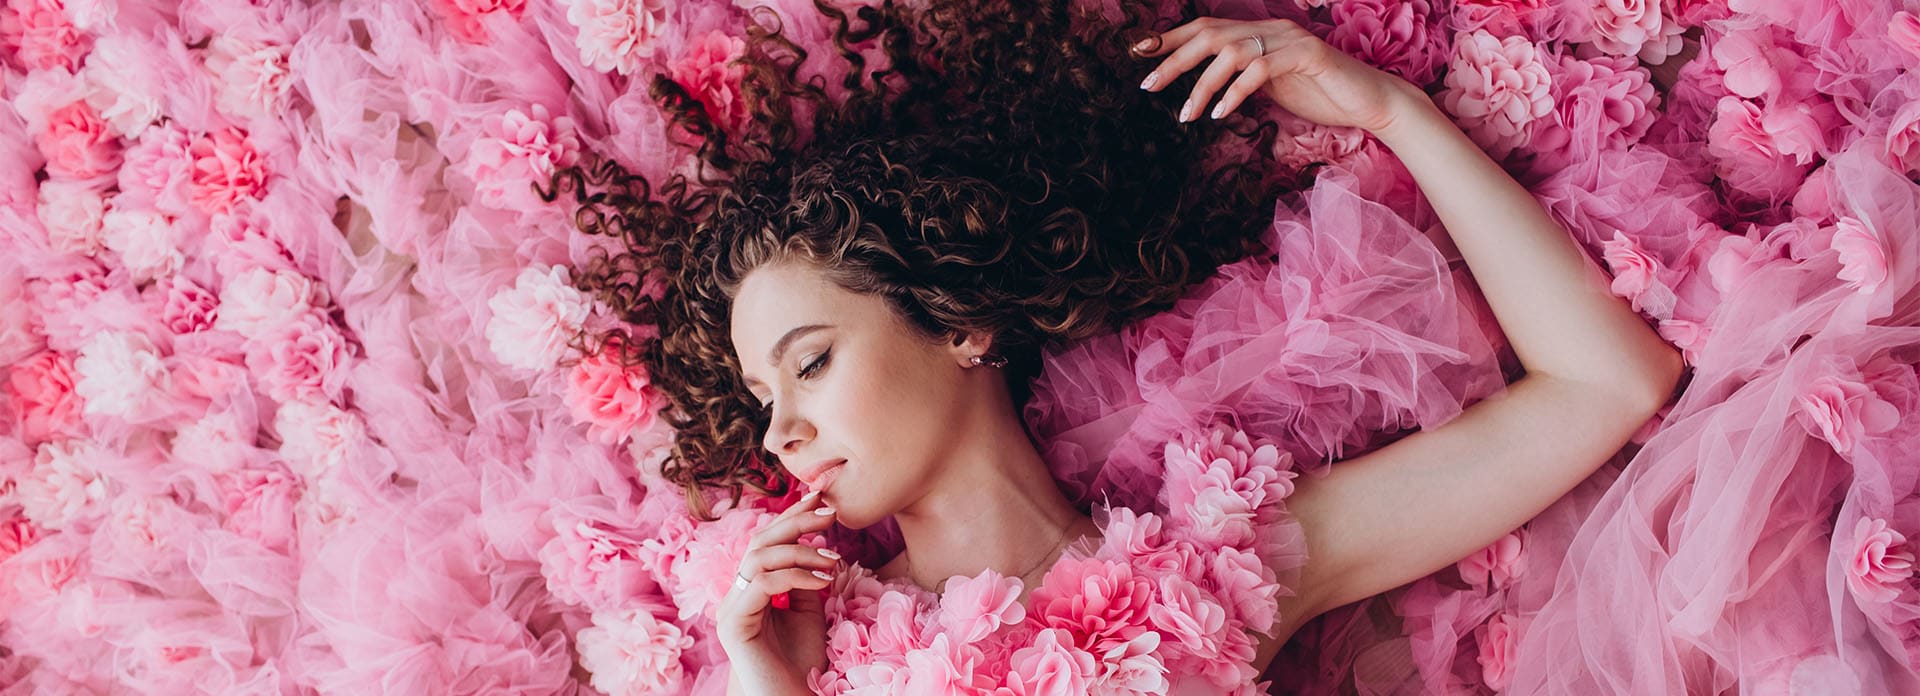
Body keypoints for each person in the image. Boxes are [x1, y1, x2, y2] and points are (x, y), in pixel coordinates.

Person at [673, 10, 1688, 692]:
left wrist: (1390, 109)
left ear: (959, 323)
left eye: (808, 364)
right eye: (761, 397)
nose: (784, 431)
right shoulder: (813, 655)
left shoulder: (1223, 573)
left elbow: (1607, 383)